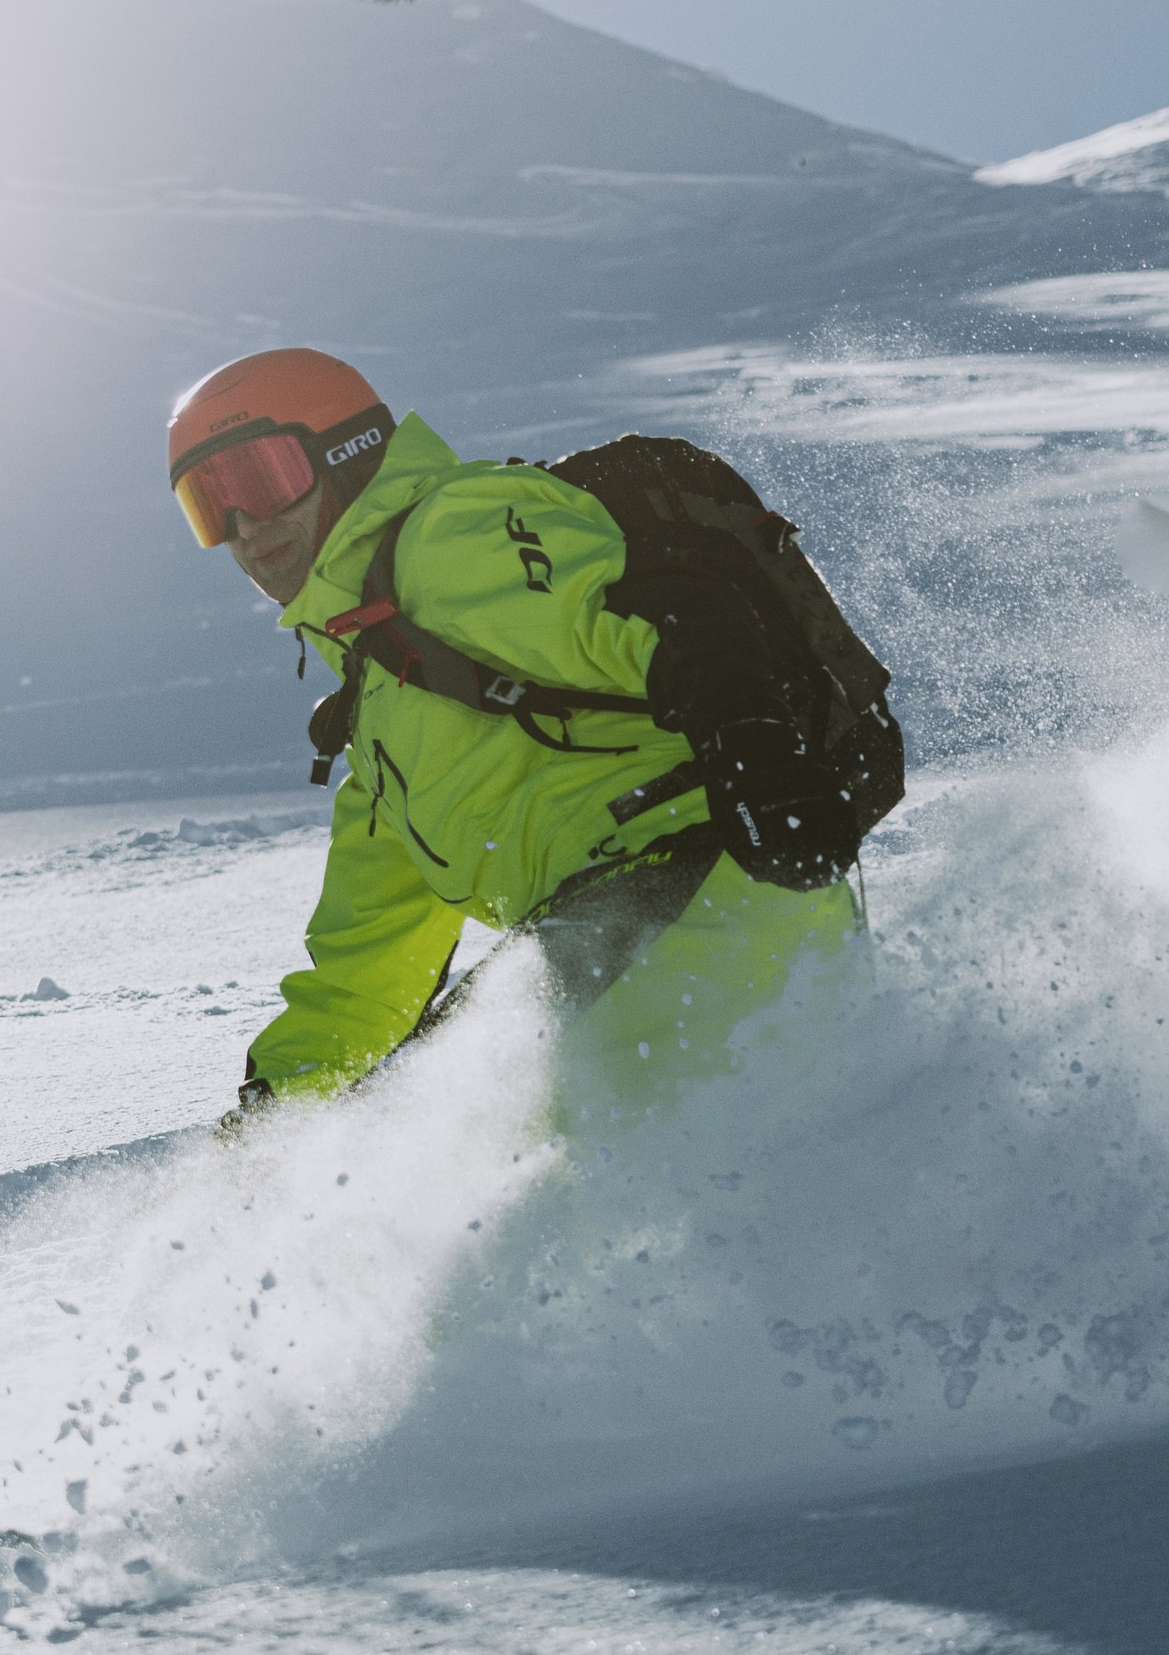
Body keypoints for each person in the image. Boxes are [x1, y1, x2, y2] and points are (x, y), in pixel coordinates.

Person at [166, 348, 871, 1117]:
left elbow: (671, 612)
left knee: (499, 1147)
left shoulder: (454, 536)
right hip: (620, 926)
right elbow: (364, 975)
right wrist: (273, 1120)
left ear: (347, 452)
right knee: (431, 1130)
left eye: (261, 480)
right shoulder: (381, 721)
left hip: (714, 882)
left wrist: (759, 758)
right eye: (211, 505)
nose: (246, 527)